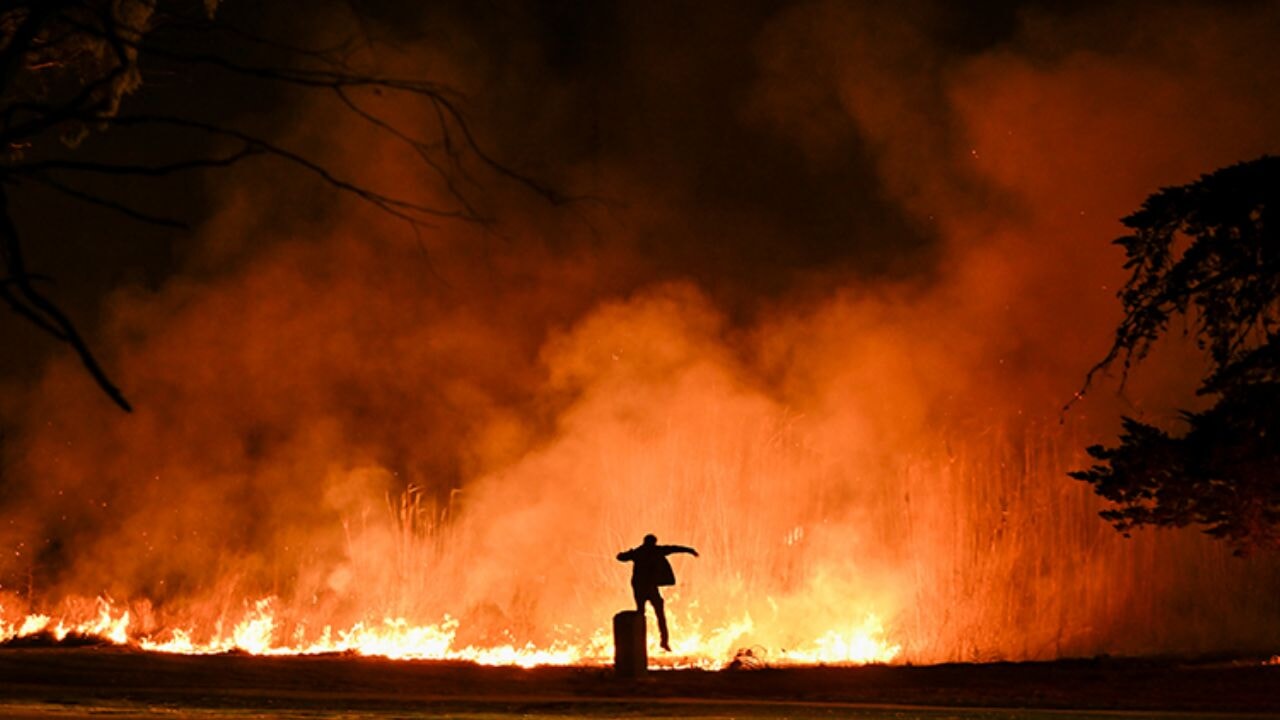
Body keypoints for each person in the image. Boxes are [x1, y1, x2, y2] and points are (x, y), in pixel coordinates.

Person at [616, 533, 698, 651]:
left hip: (639, 587)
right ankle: (664, 642)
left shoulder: (638, 552)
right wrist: (690, 550)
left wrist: (625, 553)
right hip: (650, 587)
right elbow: (675, 548)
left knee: (640, 614)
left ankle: (640, 643)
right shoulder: (657, 550)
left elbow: (620, 557)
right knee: (659, 615)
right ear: (654, 542)